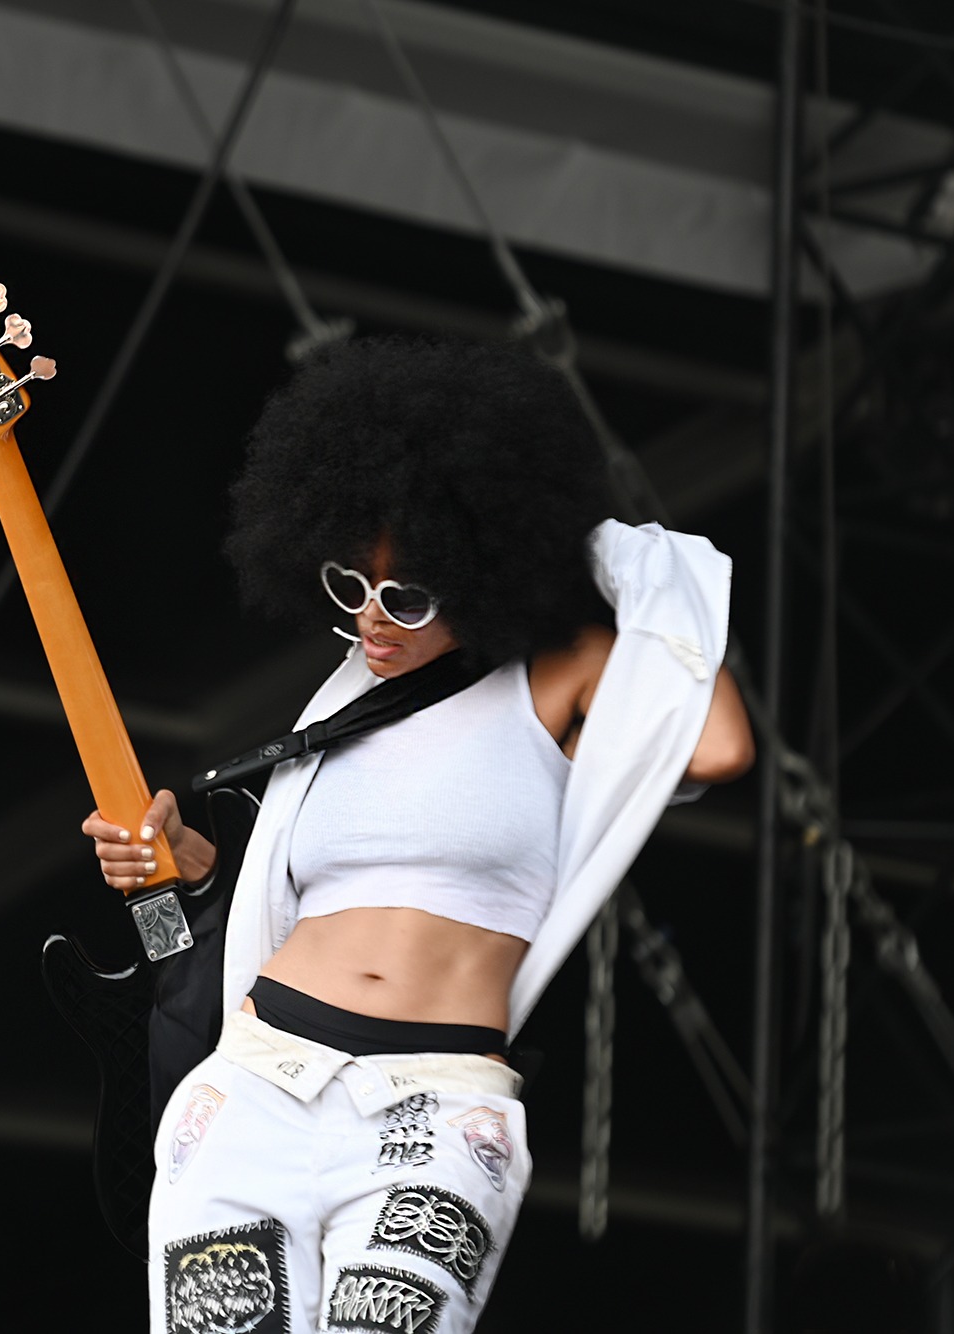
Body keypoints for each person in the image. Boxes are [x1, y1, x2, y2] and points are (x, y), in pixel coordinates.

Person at [80, 337, 753, 1334]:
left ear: (486, 562)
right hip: (255, 1082)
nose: (373, 623)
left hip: (433, 1106)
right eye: (349, 587)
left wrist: (600, 551)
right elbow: (286, 906)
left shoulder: (554, 672)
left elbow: (718, 744)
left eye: (406, 595)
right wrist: (190, 865)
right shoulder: (339, 711)